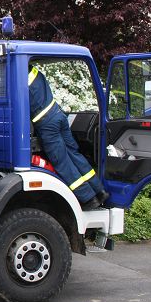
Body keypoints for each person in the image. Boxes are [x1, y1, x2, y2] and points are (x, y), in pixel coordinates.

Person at [29, 66, 110, 211]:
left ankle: (88, 198)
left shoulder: (20, 80)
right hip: (59, 115)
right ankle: (99, 190)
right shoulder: (35, 72)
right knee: (73, 153)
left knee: (61, 161)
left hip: (47, 124)